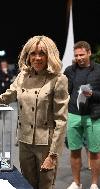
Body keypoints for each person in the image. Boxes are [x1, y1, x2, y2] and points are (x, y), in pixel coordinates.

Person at [0, 35, 69, 189]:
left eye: (42, 53)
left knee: (46, 186)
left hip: (45, 145)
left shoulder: (59, 79)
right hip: (24, 142)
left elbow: (61, 120)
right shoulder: (22, 76)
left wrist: (53, 155)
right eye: (33, 53)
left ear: (49, 55)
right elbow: (6, 97)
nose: (37, 58)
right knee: (26, 185)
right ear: (27, 55)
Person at [64, 41, 100, 189]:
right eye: (76, 55)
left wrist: (92, 94)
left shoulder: (98, 70)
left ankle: (94, 184)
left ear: (89, 53)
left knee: (94, 151)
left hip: (94, 116)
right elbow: (65, 92)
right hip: (74, 115)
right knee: (74, 150)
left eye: (82, 54)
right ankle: (76, 183)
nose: (79, 58)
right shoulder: (69, 70)